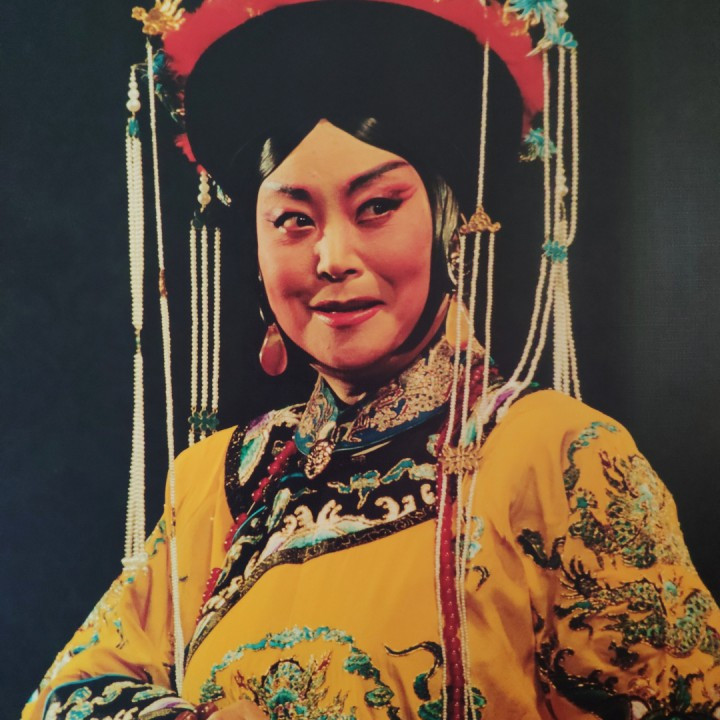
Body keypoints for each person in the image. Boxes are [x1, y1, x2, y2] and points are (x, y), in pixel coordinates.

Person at [22, 1, 720, 719]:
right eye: (293, 220)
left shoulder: (559, 456)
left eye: (377, 207)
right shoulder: (218, 481)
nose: (332, 257)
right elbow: (67, 698)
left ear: (450, 220)